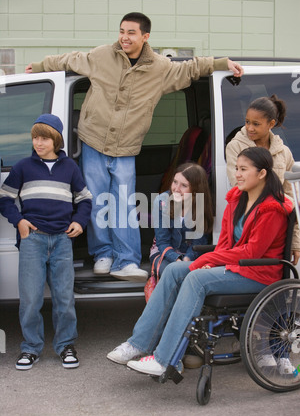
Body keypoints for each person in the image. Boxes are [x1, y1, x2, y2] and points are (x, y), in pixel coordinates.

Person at [25, 12, 243, 282]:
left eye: (131, 33)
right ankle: (103, 254)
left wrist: (223, 62)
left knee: (124, 204)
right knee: (96, 200)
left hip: (126, 147)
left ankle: (125, 260)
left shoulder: (160, 68)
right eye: (121, 31)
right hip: (93, 140)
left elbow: (191, 68)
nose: (124, 37)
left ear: (145, 37)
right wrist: (39, 65)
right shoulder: (102, 55)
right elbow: (69, 59)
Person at [107, 147, 294, 377]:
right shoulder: (236, 199)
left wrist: (208, 260)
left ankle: (163, 359)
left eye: (244, 170)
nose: (237, 174)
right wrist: (213, 262)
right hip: (234, 268)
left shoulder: (272, 209)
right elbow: (225, 243)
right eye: (237, 168)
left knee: (196, 278)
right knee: (175, 269)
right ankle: (138, 344)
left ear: (262, 173)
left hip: (257, 274)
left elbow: (252, 251)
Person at [0, 114, 92, 370]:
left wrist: (80, 222)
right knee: (30, 299)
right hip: (33, 240)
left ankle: (66, 346)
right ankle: (31, 348)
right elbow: (4, 198)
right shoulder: (22, 168)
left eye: (43, 138)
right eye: (35, 138)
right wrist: (19, 221)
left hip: (62, 240)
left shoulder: (70, 168)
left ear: (56, 140)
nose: (38, 143)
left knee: (64, 298)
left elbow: (85, 199)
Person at [226, 94, 300, 264]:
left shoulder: (284, 152)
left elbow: (293, 199)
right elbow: (238, 187)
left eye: (256, 124)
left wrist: (295, 241)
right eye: (247, 122)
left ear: (271, 124)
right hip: (250, 224)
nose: (249, 128)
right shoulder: (235, 146)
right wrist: (281, 199)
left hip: (278, 229)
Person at [149, 162, 213, 277]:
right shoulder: (162, 201)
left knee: (190, 275)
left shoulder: (201, 205)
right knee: (171, 273)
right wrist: (177, 261)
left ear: (195, 189)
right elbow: (162, 242)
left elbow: (198, 243)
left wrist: (186, 260)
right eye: (175, 182)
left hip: (191, 254)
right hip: (164, 252)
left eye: (184, 185)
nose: (176, 189)